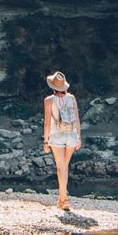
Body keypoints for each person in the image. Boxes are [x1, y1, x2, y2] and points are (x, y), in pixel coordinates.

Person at [42, 70, 80, 211]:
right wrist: (79, 138)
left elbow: (47, 122)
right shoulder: (72, 98)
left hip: (56, 135)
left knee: (61, 167)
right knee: (65, 166)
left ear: (53, 86)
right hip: (71, 134)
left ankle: (64, 200)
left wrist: (46, 141)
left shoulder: (49, 100)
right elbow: (76, 119)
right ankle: (62, 199)